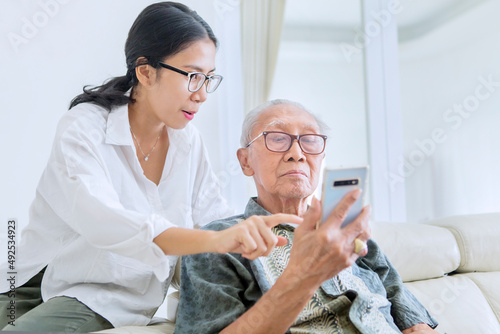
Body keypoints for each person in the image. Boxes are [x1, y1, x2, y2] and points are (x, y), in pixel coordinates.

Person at [0, 3, 300, 332]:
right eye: (193, 76)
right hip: (31, 278)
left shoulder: (189, 143)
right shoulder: (84, 128)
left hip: (99, 295)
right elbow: (105, 222)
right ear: (145, 72)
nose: (202, 95)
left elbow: (215, 219)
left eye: (209, 79)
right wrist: (218, 239)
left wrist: (264, 235)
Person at [175, 99, 439, 334]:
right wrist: (305, 277)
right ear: (245, 161)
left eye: (310, 140)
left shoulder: (347, 231)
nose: (297, 153)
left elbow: (407, 309)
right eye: (277, 138)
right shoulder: (216, 242)